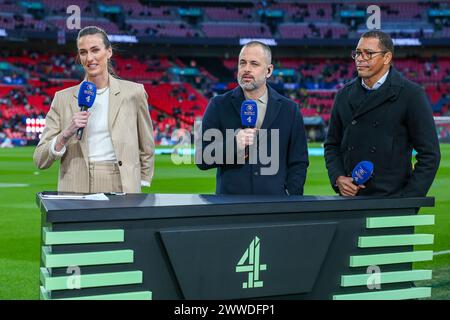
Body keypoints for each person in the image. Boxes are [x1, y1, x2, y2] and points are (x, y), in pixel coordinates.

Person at [33, 26, 155, 193]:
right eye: (83, 52)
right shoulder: (62, 98)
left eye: (95, 50)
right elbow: (40, 159)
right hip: (76, 186)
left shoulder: (134, 93)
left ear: (109, 52)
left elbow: (146, 144)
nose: (89, 58)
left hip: (122, 183)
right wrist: (65, 134)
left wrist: (142, 179)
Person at [324, 30, 440, 197]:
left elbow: (430, 154)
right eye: (357, 53)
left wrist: (409, 200)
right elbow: (332, 145)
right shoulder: (343, 95)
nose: (360, 58)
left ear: (387, 58)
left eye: (368, 53)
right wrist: (338, 177)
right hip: (351, 200)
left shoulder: (411, 94)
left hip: (392, 201)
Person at [196, 41, 309, 195]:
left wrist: (292, 197)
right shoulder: (218, 105)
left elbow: (299, 162)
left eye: (254, 64)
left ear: (268, 71)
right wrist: (234, 143)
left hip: (275, 207)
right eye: (242, 63)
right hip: (230, 207)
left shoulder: (290, 110)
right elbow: (202, 158)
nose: (246, 69)